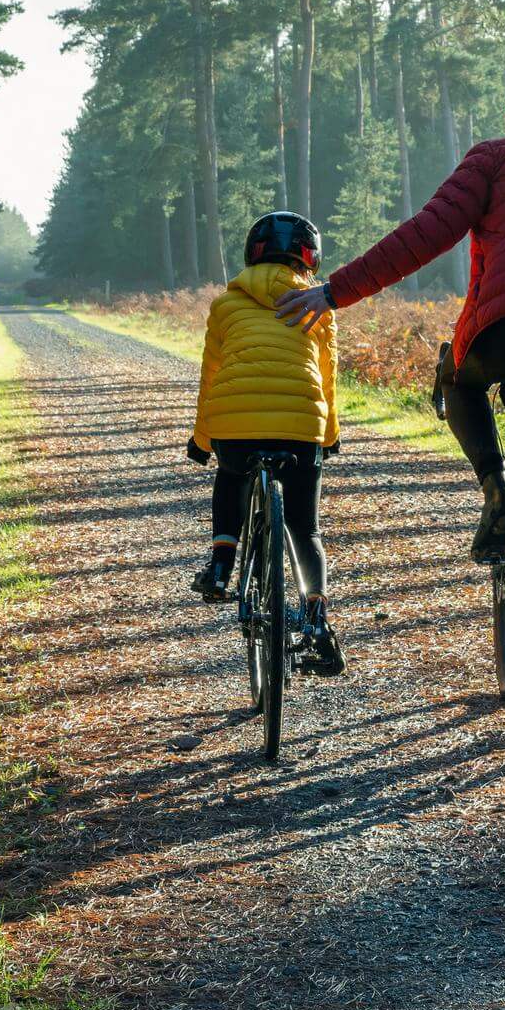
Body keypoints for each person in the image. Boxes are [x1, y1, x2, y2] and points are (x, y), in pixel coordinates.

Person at [276, 67, 505, 669]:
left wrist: (336, 291)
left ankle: (497, 490)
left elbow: (427, 234)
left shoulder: (493, 157)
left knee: (458, 379)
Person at [189, 210, 344, 676]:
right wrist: (329, 436)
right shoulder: (318, 305)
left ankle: (221, 564)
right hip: (301, 427)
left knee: (231, 473)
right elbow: (328, 377)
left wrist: (201, 439)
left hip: (234, 423)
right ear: (310, 258)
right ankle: (316, 620)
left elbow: (211, 374)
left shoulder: (225, 305)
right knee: (305, 528)